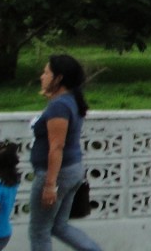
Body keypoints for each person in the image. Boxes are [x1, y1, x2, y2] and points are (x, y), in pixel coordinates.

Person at [29, 54, 102, 251]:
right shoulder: (68, 101)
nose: (42, 76)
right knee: (58, 226)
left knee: (39, 231)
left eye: (46, 72)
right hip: (71, 170)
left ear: (58, 78)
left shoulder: (59, 106)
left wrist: (50, 185)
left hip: (55, 173)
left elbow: (57, 146)